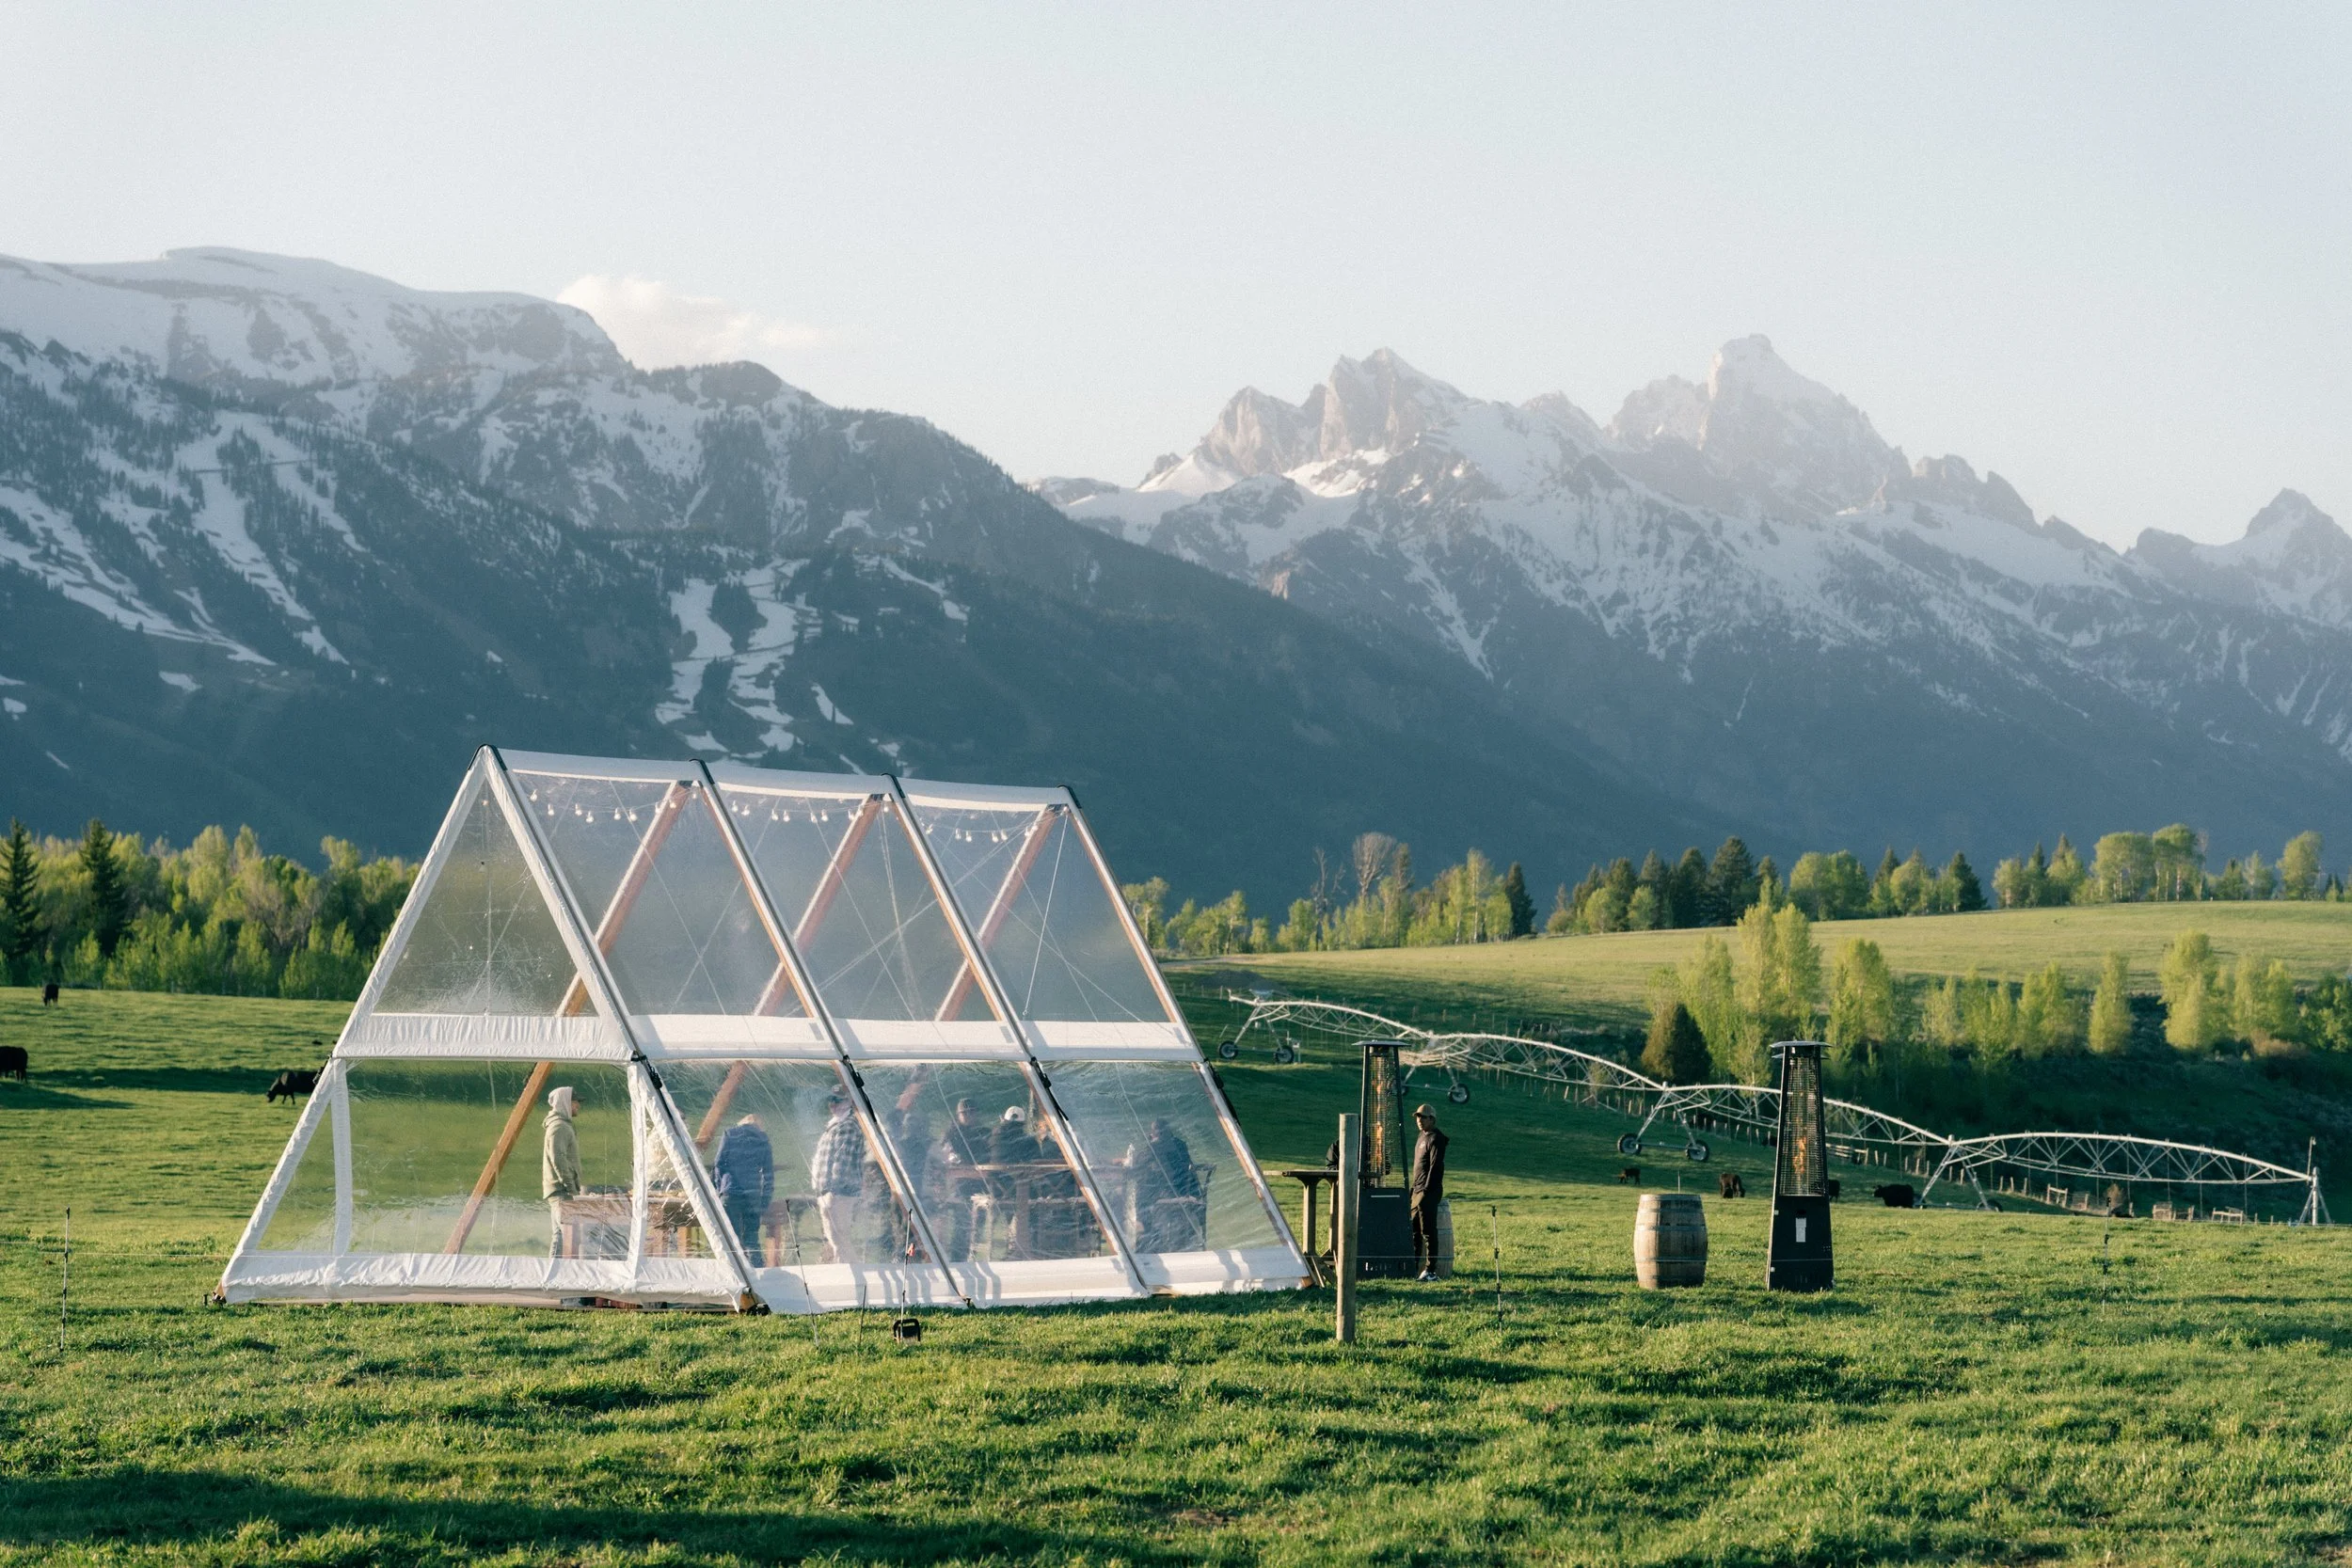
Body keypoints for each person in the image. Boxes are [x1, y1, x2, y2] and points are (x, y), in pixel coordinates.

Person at [1126, 1117, 1204, 1252]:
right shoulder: (1180, 1144)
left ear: (1154, 1133)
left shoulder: (1155, 1145)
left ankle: (1148, 1237)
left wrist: (1150, 1143)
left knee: (1139, 1199)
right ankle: (1159, 1235)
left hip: (1170, 1192)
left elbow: (1137, 1164)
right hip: (1187, 1189)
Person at [809, 1093, 866, 1263]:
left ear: (849, 1101)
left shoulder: (848, 1125)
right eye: (831, 1100)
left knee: (839, 1235)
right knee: (834, 1236)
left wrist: (832, 1191)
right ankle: (843, 1267)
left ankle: (848, 1270)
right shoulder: (835, 1125)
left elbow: (841, 1162)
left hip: (840, 1191)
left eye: (837, 1100)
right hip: (828, 1189)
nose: (832, 1104)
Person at [713, 1113, 774, 1263]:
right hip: (753, 1195)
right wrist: (765, 1199)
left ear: (741, 1123)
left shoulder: (729, 1134)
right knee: (752, 1238)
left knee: (731, 1238)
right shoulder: (763, 1140)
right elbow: (768, 1173)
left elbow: (719, 1164)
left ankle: (734, 1273)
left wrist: (719, 1188)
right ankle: (758, 1273)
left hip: (730, 1191)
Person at [1408, 1102, 1448, 1281]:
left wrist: (1426, 1191)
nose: (1419, 1120)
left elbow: (1435, 1167)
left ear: (1432, 1119)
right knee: (1414, 1231)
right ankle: (1413, 1268)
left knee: (1428, 1231)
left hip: (1428, 1191)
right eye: (1417, 1117)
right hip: (1416, 1191)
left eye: (1423, 1117)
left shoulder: (1436, 1138)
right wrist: (1413, 1191)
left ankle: (1430, 1270)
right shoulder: (1421, 1137)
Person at [542, 1085, 582, 1259]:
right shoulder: (559, 1127)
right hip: (561, 1190)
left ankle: (553, 1274)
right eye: (575, 1103)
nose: (577, 1106)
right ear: (566, 1103)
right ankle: (553, 1274)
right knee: (567, 1234)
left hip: (561, 1189)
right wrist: (570, 1187)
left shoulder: (562, 1126)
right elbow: (558, 1160)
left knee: (561, 1234)